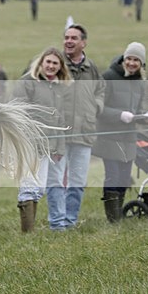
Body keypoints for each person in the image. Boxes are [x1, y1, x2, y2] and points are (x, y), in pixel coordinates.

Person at [46, 24, 104, 229]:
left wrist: (96, 107)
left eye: (73, 38)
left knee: (77, 181)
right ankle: (57, 223)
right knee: (55, 180)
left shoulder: (92, 68)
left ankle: (70, 221)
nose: (68, 41)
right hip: (58, 135)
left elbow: (101, 91)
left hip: (84, 132)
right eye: (66, 37)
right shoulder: (54, 64)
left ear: (83, 43)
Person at [92, 42, 148, 222]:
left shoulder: (139, 82)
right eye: (129, 59)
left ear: (141, 63)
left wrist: (145, 117)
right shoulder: (108, 77)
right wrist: (119, 115)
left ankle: (118, 213)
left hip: (129, 137)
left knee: (125, 178)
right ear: (123, 59)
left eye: (136, 60)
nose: (132, 63)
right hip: (109, 137)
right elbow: (99, 109)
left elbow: (138, 108)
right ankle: (113, 218)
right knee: (113, 175)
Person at [13, 47, 71, 231]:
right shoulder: (28, 82)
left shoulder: (58, 88)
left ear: (60, 67)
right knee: (29, 186)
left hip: (48, 146)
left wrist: (59, 148)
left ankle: (30, 229)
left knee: (39, 189)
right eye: (48, 62)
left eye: (55, 63)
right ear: (41, 62)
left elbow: (59, 120)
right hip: (30, 144)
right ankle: (27, 233)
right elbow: (18, 111)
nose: (51, 66)